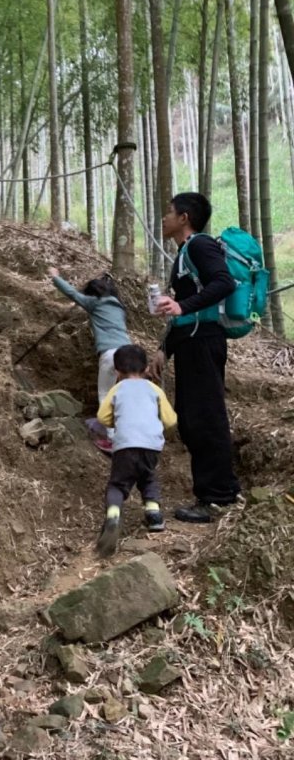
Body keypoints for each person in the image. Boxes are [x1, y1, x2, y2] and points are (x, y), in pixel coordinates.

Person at [149, 192, 241, 523]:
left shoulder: (201, 246)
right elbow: (184, 308)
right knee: (190, 418)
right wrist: (165, 348)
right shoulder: (186, 253)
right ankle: (219, 488)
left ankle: (217, 497)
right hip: (190, 342)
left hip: (204, 343)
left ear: (184, 217)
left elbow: (224, 283)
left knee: (206, 417)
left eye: (169, 211)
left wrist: (182, 306)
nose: (164, 217)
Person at [95, 344, 177, 557]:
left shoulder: (117, 389)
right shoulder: (154, 389)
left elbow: (102, 418)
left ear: (117, 371)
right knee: (148, 478)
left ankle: (113, 516)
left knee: (118, 483)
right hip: (151, 445)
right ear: (145, 367)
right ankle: (154, 515)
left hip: (124, 445)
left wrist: (118, 421)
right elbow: (170, 420)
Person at [48, 266, 131, 452]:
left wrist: (56, 277)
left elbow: (72, 294)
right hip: (129, 352)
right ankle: (127, 434)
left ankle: (112, 440)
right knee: (123, 395)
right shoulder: (120, 308)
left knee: (105, 395)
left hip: (110, 353)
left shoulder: (95, 303)